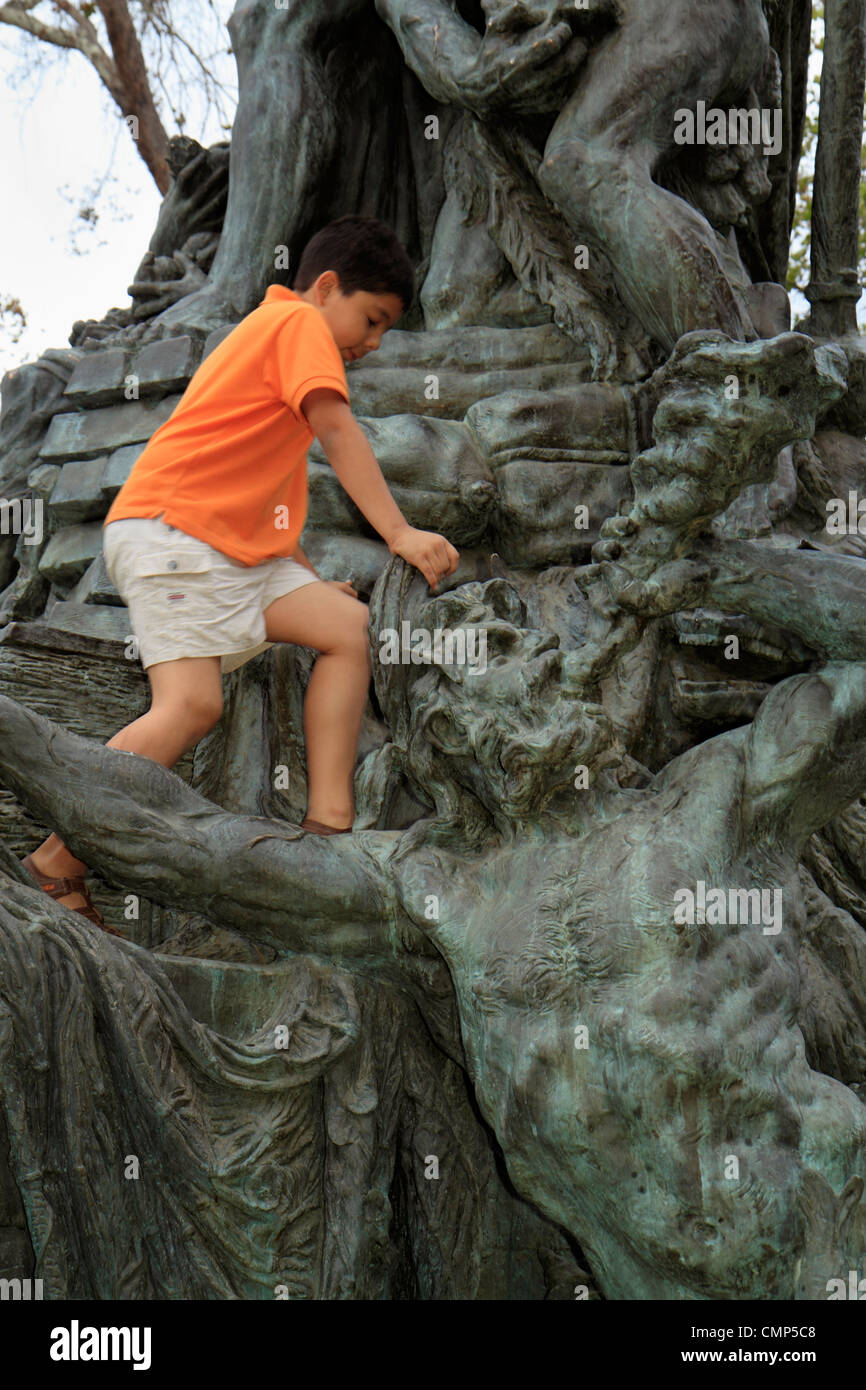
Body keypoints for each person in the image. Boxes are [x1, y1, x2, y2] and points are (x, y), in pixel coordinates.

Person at [19, 215, 459, 934]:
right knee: (191, 706)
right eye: (372, 319)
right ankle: (54, 861)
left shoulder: (277, 353)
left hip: (229, 551)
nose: (373, 343)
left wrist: (313, 581)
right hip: (174, 533)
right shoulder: (297, 326)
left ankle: (328, 828)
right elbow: (338, 432)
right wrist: (401, 532)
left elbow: (270, 501)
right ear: (324, 288)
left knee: (346, 627)